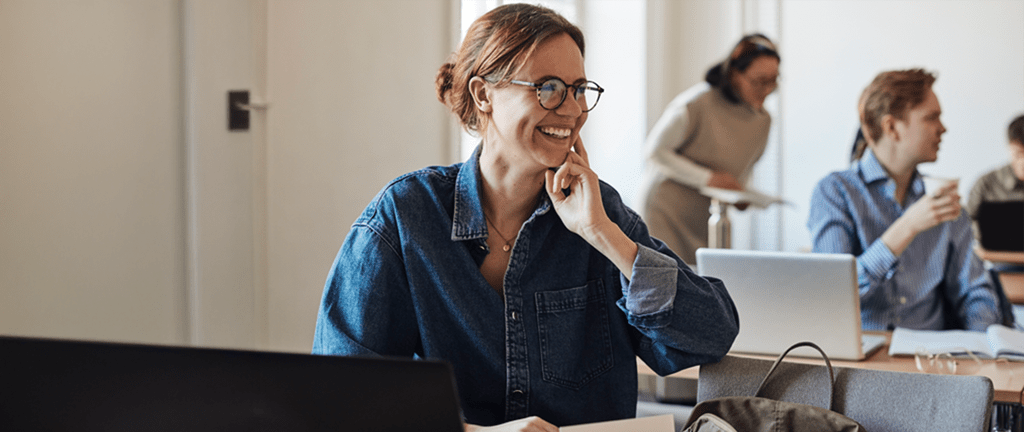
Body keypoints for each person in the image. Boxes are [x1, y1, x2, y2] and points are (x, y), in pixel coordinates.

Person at [311, 4, 739, 431]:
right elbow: (342, 391)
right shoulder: (407, 216)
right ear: (484, 95)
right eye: (548, 87)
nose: (572, 110)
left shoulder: (600, 212)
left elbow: (709, 335)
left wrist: (604, 236)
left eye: (578, 89)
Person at [808, 69, 1003, 331]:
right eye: (932, 118)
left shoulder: (942, 199)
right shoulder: (834, 192)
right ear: (891, 127)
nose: (943, 128)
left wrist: (982, 344)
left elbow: (976, 293)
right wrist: (907, 227)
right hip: (861, 357)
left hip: (933, 358)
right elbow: (829, 296)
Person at [638, 34, 780, 263]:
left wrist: (741, 194)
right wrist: (708, 178)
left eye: (772, 81)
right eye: (758, 81)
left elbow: (739, 172)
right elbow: (655, 152)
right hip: (665, 214)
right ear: (735, 74)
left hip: (708, 218)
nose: (766, 89)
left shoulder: (764, 122)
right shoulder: (697, 103)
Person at [966, 114, 1024, 241]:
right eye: (1018, 153)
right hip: (999, 257)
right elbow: (966, 226)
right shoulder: (986, 183)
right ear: (1009, 148)